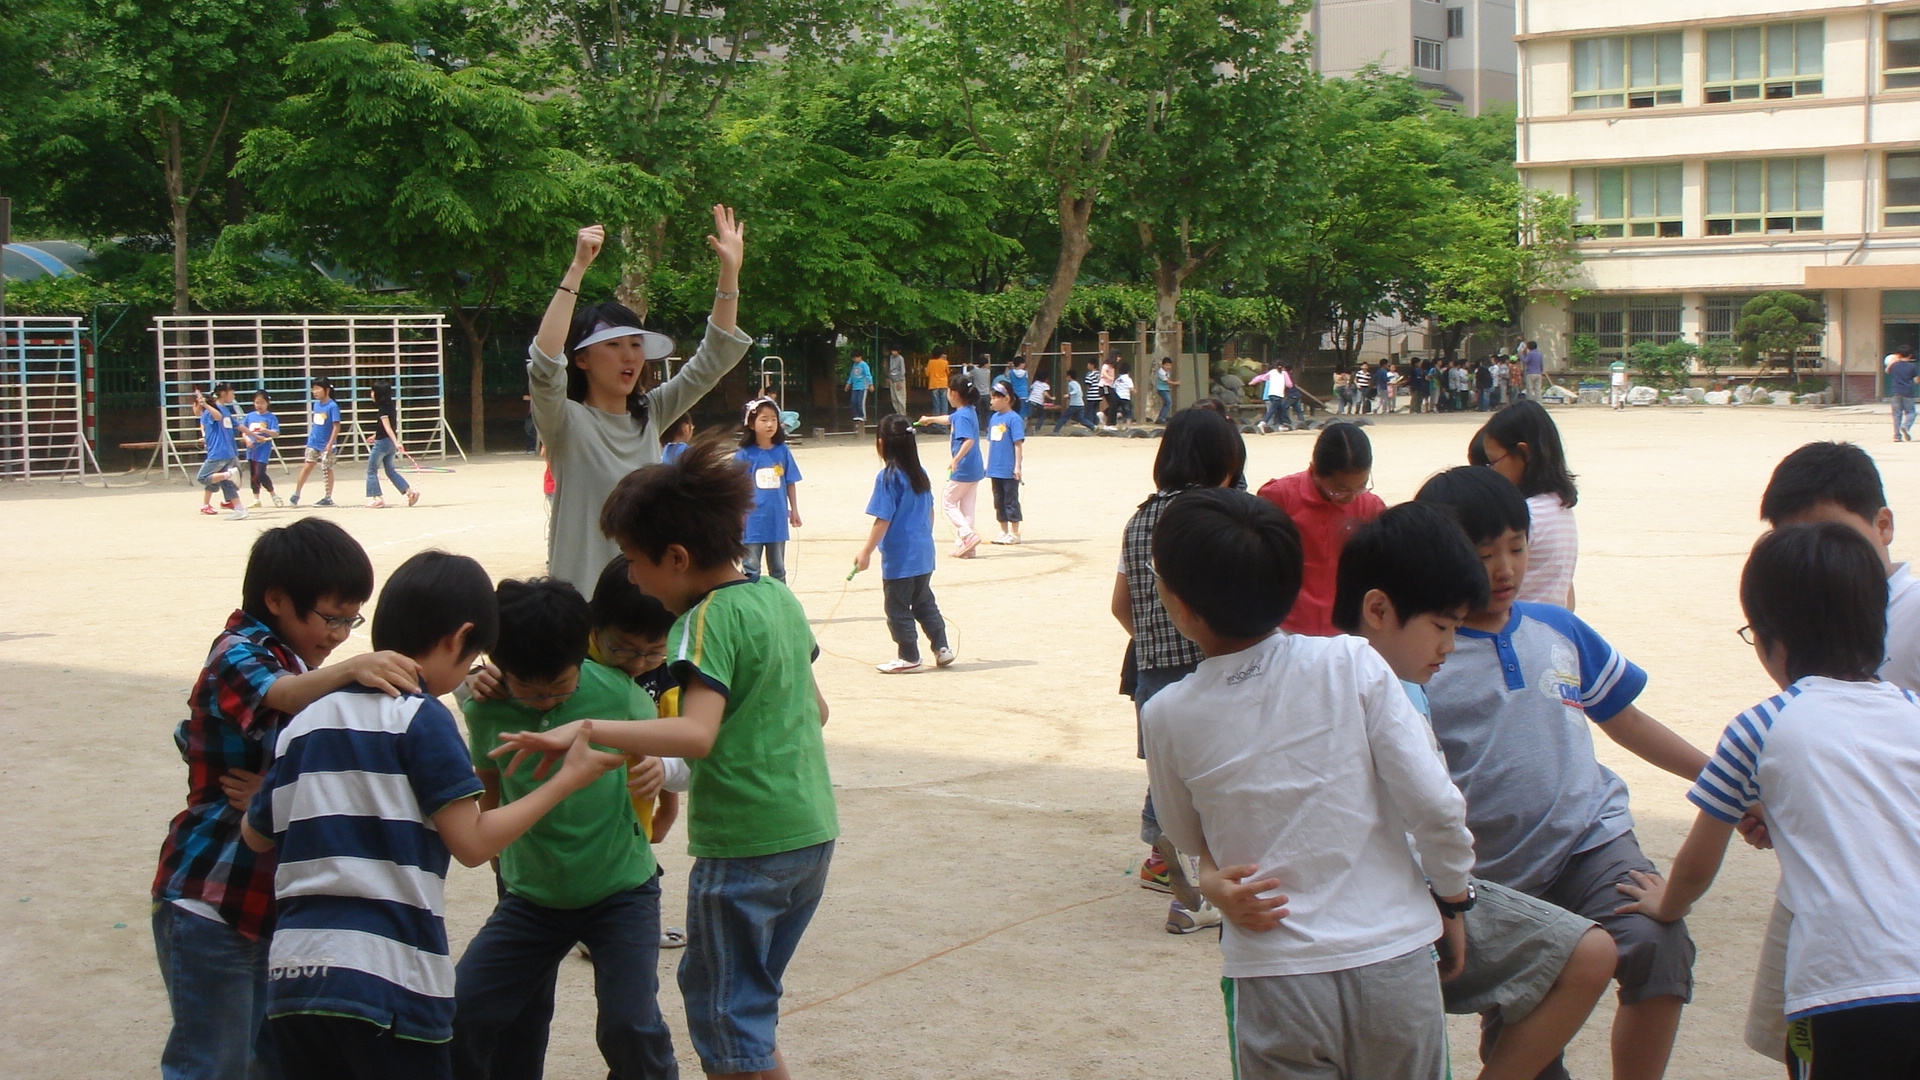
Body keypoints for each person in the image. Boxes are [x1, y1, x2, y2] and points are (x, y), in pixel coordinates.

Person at [498, 437, 837, 1080]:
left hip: (747, 844)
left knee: (724, 1017)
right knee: (746, 1010)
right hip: (809, 833)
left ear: (676, 558)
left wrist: (589, 728)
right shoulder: (778, 599)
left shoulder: (707, 619)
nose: (630, 576)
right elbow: (816, 712)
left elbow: (697, 735)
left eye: (632, 560)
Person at [240, 551, 625, 1080]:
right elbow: (470, 844)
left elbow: (255, 836)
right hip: (388, 976)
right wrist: (566, 781)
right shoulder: (420, 717)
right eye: (471, 661)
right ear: (457, 637)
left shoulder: (307, 720)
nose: (468, 675)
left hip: (296, 976)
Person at [1143, 487, 1476, 1080]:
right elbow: (1436, 807)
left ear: (1178, 603)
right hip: (1394, 960)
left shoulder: (1168, 714)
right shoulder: (1351, 663)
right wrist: (1453, 896)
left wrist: (1216, 878)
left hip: (1275, 974)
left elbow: (1184, 835)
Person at [1415, 466, 1707, 1080]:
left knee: (1659, 945)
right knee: (1525, 1028)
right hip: (1494, 878)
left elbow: (1625, 720)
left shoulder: (1559, 629)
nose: (1505, 570)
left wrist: (1722, 780)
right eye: (1483, 553)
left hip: (1589, 840)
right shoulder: (1422, 654)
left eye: (1517, 549)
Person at [1618, 521, 1920, 1077]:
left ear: (1768, 637)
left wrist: (1668, 904)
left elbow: (1698, 859)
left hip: (1843, 987)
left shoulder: (1760, 726)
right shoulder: (1911, 710)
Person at [1330, 504, 1616, 1080]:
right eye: (1442, 627)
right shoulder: (1393, 692)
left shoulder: (1318, 670)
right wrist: (1453, 902)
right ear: (1379, 609)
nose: (1450, 645)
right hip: (1410, 903)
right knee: (1591, 955)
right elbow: (1435, 813)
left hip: (1349, 912)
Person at [151, 518, 415, 1080]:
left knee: (267, 1062)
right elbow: (281, 696)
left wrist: (272, 797)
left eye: (352, 620)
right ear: (275, 599)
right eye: (330, 618)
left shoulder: (303, 665)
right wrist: (353, 669)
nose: (341, 635)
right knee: (212, 1064)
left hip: (267, 910)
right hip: (211, 900)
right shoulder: (239, 650)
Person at [451, 577, 683, 1080]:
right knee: (464, 1012)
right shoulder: (485, 707)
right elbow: (489, 791)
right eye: (530, 692)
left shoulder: (617, 693)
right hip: (531, 898)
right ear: (499, 668)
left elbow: (655, 749)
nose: (547, 702)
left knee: (629, 1026)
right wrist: (501, 862)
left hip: (621, 891)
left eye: (560, 687)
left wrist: (666, 797)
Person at [1741, 440, 1920, 1064]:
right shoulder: (1825, 608)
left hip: (1885, 912)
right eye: (1793, 544)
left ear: (1884, 524)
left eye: (1829, 534)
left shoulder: (1912, 610)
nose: (1813, 558)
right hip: (1828, 896)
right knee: (1803, 1043)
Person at [528, 212, 752, 590]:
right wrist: (577, 267)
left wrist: (729, 274)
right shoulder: (565, 421)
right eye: (613, 346)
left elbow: (712, 360)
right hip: (584, 606)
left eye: (635, 345)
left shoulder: (651, 414)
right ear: (581, 359)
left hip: (649, 605)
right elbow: (545, 363)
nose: (630, 356)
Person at [1111, 407, 1246, 932]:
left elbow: (1121, 604)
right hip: (1215, 665)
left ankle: (1165, 855)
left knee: (1168, 773)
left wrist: (1153, 642)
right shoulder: (1221, 512)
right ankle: (1202, 882)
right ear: (1223, 461)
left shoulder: (1139, 519)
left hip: (1154, 670)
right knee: (1218, 774)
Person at [1254, 423, 1387, 637]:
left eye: (1361, 486)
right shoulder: (1280, 497)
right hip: (1286, 625)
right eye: (1340, 490)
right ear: (1314, 470)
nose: (1352, 497)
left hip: (1346, 627)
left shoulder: (1370, 507)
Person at [853, 415, 954, 674]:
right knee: (924, 602)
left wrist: (865, 552)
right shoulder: (919, 474)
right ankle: (941, 647)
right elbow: (930, 511)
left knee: (897, 606)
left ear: (881, 444)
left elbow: (882, 519)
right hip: (923, 552)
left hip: (900, 557)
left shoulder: (888, 478)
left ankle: (908, 655)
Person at [1479, 400, 1581, 609]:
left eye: (1493, 462)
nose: (1490, 472)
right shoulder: (1559, 506)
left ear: (1524, 453)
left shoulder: (1526, 515)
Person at [916, 374, 985, 559]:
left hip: (964, 468)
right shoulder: (968, 410)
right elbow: (949, 419)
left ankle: (968, 536)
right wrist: (930, 419)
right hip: (975, 468)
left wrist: (956, 460)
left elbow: (968, 440)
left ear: (953, 393)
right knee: (967, 507)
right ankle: (967, 547)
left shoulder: (962, 416)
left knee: (948, 501)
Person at [734, 397, 802, 583]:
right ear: (751, 423)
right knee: (751, 568)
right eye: (764, 419)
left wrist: (794, 509)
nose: (770, 424)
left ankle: (780, 607)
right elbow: (736, 489)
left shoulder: (782, 450)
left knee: (778, 570)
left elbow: (790, 482)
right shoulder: (744, 454)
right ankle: (751, 607)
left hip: (777, 520)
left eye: (773, 419)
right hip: (752, 522)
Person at [193, 383, 248, 519]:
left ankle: (228, 475)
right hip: (224, 452)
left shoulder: (210, 412)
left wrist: (205, 405)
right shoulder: (209, 414)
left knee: (203, 477)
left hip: (218, 453)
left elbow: (218, 417)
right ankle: (239, 509)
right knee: (226, 482)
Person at [364, 381, 419, 509]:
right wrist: (375, 435)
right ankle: (409, 493)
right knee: (390, 471)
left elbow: (388, 428)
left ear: (378, 394)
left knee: (371, 470)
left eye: (373, 392)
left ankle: (377, 498)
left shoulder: (382, 410)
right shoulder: (390, 407)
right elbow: (386, 428)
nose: (371, 394)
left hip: (383, 443)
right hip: (389, 444)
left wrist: (396, 442)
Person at [289, 377, 340, 508]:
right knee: (307, 466)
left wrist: (329, 444)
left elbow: (336, 426)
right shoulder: (316, 405)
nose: (315, 391)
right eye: (314, 389)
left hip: (327, 444)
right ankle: (297, 493)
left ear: (326, 390)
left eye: (318, 388)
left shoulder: (332, 406)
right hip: (313, 442)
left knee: (327, 469)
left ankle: (328, 497)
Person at [985, 383, 1026, 545]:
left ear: (1007, 399)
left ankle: (1015, 533)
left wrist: (1017, 466)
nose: (992, 401)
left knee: (1011, 500)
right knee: (998, 500)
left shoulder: (1014, 419)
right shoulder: (994, 418)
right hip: (995, 468)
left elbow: (1018, 444)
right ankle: (1003, 530)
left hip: (1008, 468)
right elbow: (992, 443)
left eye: (995, 398)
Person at [242, 390, 283, 509]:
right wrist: (247, 440)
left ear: (267, 403)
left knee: (260, 473)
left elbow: (276, 433)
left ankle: (273, 494)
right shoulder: (249, 416)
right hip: (251, 449)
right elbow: (244, 431)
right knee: (253, 474)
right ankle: (256, 499)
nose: (259, 405)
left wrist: (265, 431)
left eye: (262, 403)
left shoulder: (271, 417)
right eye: (257, 402)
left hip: (263, 448)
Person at [1250, 361, 1291, 433]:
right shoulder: (1284, 373)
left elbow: (1262, 377)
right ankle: (1263, 422)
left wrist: (1253, 382)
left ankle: (1281, 425)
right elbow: (1289, 384)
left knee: (1280, 409)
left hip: (1271, 394)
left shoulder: (1271, 372)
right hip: (1278, 395)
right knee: (1272, 410)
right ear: (1283, 367)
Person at [1889, 343, 1916, 441]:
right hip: (1908, 392)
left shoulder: (1894, 366)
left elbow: (1887, 370)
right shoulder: (1912, 366)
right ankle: (1906, 426)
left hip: (1896, 392)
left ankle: (1896, 436)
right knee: (1911, 412)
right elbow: (1916, 380)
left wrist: (1892, 361)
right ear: (1910, 355)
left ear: (1899, 354)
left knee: (1896, 414)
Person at [844, 351, 873, 422]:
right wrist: (848, 384)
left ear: (860, 357)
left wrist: (870, 384)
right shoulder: (854, 365)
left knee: (860, 402)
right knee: (853, 401)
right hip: (855, 387)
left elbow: (868, 375)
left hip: (862, 387)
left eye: (855, 358)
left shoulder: (864, 365)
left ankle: (862, 416)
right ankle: (856, 415)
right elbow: (852, 375)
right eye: (853, 358)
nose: (854, 359)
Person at [924, 348, 951, 415]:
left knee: (936, 404)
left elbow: (927, 374)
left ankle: (936, 422)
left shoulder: (930, 362)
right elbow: (948, 372)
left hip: (934, 384)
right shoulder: (945, 362)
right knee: (944, 403)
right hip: (943, 384)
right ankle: (944, 421)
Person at [1082, 358, 1106, 429]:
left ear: (1092, 365)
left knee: (1089, 411)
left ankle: (1091, 426)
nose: (1087, 366)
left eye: (1088, 364)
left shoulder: (1089, 375)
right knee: (1095, 411)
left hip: (1091, 396)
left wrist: (1087, 392)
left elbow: (1088, 386)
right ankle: (1096, 424)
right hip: (1098, 396)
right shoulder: (1100, 374)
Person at [1005, 355, 1031, 420]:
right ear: (1021, 364)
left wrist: (1009, 367)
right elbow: (1027, 382)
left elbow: (1006, 376)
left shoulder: (1010, 372)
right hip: (1024, 394)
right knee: (1023, 411)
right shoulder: (1025, 372)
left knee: (1014, 410)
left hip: (1015, 394)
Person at [1153, 358, 1178, 423]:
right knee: (1168, 402)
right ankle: (1161, 418)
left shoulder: (1166, 372)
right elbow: (1167, 381)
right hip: (1162, 389)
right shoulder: (1161, 372)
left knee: (1167, 403)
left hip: (1165, 389)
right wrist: (1176, 383)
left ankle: (1161, 417)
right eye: (1166, 365)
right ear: (1162, 365)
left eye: (1170, 365)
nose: (1168, 367)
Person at [1111, 364, 1134, 430]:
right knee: (1128, 412)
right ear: (1128, 371)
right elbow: (1131, 389)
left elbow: (1114, 388)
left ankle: (1117, 418)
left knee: (1119, 410)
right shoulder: (1128, 379)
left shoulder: (1117, 379)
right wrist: (1134, 391)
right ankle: (1128, 426)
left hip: (1117, 397)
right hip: (1126, 397)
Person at [886, 347, 908, 416]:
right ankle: (898, 412)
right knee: (894, 398)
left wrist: (899, 381)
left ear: (899, 351)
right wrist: (889, 378)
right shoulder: (891, 357)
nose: (893, 352)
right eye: (892, 350)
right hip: (892, 379)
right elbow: (890, 368)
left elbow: (902, 370)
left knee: (900, 398)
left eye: (895, 351)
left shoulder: (900, 358)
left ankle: (903, 413)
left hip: (899, 380)